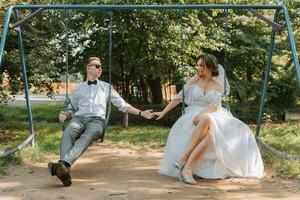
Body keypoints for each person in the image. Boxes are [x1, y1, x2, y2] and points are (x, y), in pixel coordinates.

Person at [154, 54, 264, 185]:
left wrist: (202, 114)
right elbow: (178, 98)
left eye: (202, 65)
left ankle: (184, 162)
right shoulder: (193, 80)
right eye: (198, 64)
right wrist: (163, 111)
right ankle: (187, 167)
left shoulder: (218, 85)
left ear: (210, 67)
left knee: (209, 123)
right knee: (210, 134)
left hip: (213, 112)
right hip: (192, 112)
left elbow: (214, 106)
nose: (198, 68)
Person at [48, 56, 154, 186]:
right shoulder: (79, 88)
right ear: (88, 68)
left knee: (87, 136)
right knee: (68, 132)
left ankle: (62, 164)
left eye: (100, 66)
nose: (100, 69)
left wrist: (141, 113)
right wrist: (65, 115)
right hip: (79, 119)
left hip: (96, 122)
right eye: (97, 66)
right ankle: (64, 172)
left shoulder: (106, 87)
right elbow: (72, 109)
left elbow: (123, 105)